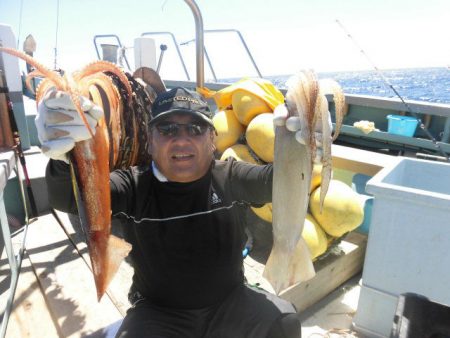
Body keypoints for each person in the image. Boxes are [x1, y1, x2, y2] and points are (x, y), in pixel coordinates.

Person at [38, 84, 319, 338]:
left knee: (285, 322)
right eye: (168, 129)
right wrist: (66, 160)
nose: (181, 140)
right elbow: (72, 200)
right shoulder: (133, 185)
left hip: (230, 300)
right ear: (150, 141)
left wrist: (302, 144)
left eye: (195, 129)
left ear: (212, 140)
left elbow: (282, 182)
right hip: (159, 311)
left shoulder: (231, 177)